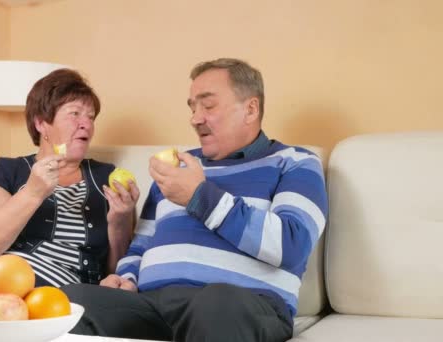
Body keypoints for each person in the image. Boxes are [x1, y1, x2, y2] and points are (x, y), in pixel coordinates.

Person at [62, 58, 328, 342]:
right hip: (154, 305)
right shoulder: (177, 169)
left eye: (208, 105)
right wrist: (126, 278)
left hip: (242, 303)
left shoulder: (295, 163)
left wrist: (201, 197)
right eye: (192, 107)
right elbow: (142, 245)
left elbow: (292, 245)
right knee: (71, 302)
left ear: (251, 109)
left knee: (216, 304)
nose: (195, 118)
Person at [0, 69, 139, 287]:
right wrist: (33, 193)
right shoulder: (8, 170)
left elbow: (115, 270)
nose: (87, 124)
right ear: (41, 123)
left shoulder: (107, 177)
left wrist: (120, 221)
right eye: (75, 114)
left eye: (91, 117)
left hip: (54, 292)